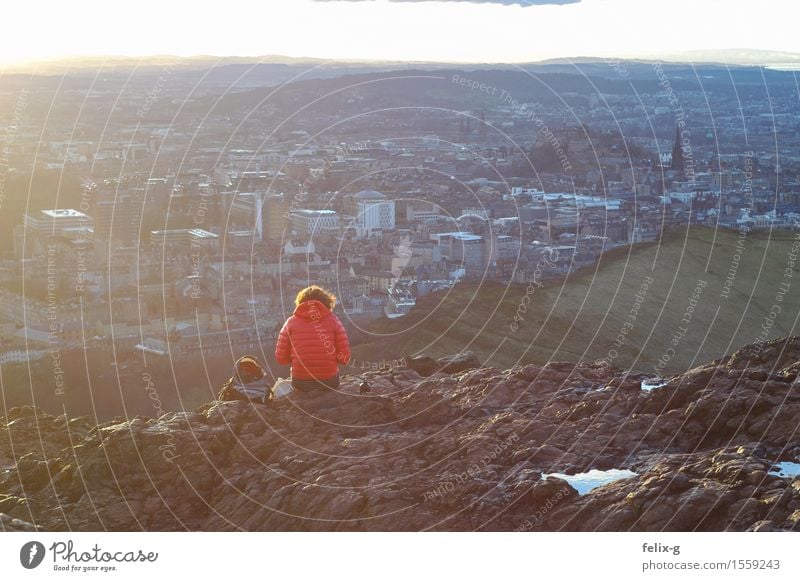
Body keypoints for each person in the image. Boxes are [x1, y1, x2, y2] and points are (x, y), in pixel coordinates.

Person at [275, 285, 351, 393]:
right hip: (329, 382)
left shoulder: (290, 323)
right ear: (327, 303)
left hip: (300, 383)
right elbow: (345, 358)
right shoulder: (334, 321)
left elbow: (280, 358)